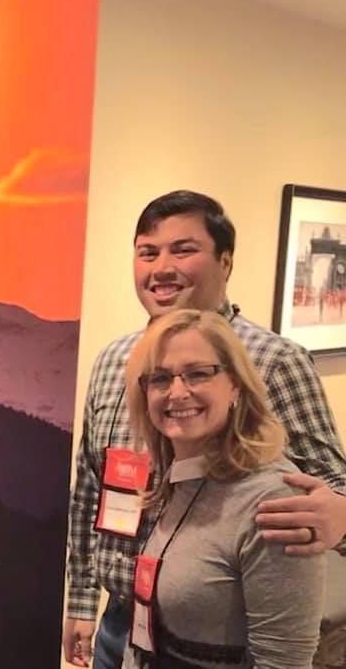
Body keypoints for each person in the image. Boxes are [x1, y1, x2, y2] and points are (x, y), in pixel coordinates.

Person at [63, 190, 346, 668]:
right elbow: (91, 487)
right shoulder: (114, 361)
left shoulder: (275, 361)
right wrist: (81, 602)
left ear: (226, 261)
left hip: (219, 639)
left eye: (184, 249)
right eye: (148, 252)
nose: (162, 267)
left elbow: (331, 488)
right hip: (123, 626)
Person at [121, 309, 324, 669]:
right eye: (161, 378)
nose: (178, 392)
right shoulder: (180, 480)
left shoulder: (272, 500)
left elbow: (283, 662)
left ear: (235, 383)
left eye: (198, 374)